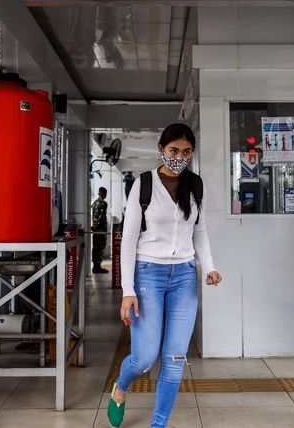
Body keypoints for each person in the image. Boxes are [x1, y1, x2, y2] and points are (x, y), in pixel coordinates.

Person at [107, 123, 223, 428]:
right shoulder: (143, 185)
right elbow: (128, 239)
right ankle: (121, 386)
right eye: (173, 151)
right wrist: (127, 289)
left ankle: (158, 424)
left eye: (186, 152)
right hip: (147, 275)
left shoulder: (196, 185)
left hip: (185, 277)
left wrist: (209, 266)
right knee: (145, 358)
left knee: (173, 362)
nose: (179, 157)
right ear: (161, 149)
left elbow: (200, 231)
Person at [91, 187, 109, 274]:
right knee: (101, 247)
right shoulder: (103, 203)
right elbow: (100, 216)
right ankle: (98, 267)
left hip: (95, 229)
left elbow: (94, 216)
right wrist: (97, 225)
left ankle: (95, 266)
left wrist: (94, 226)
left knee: (95, 247)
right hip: (101, 229)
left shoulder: (94, 203)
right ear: (103, 193)